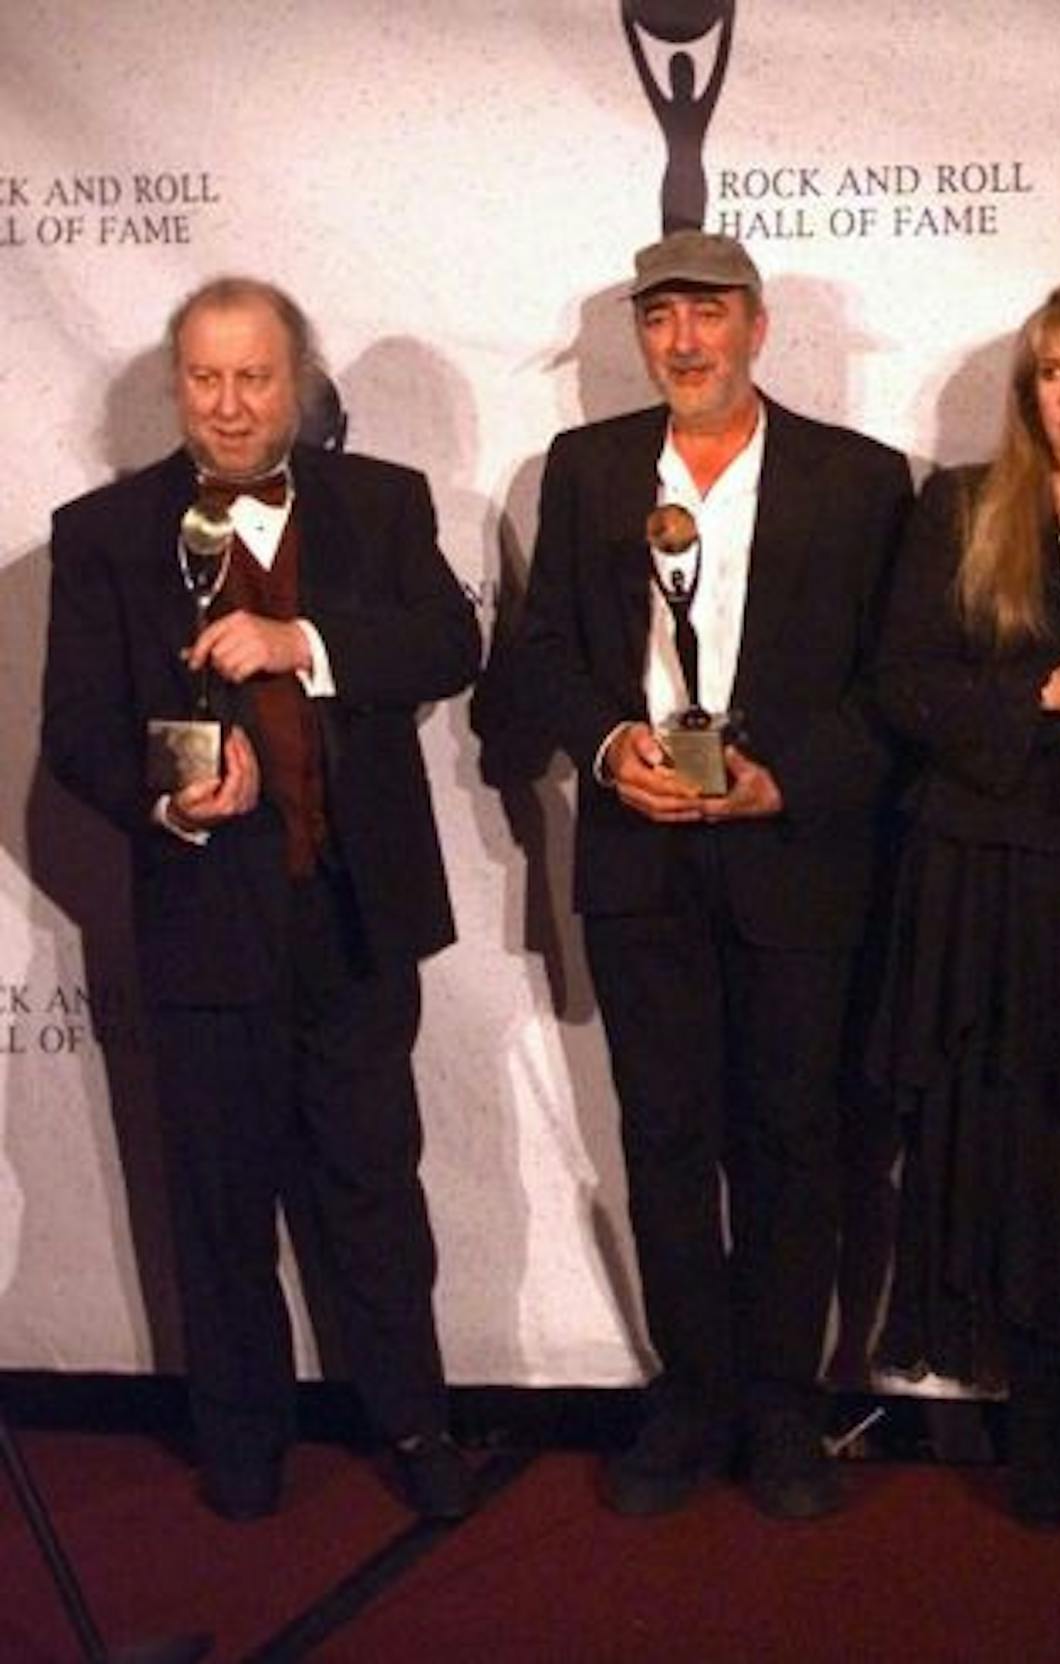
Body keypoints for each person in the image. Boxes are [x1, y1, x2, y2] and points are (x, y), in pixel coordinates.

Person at [40, 276, 481, 1522]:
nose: (229, 406)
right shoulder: (105, 533)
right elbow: (73, 732)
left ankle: (416, 1420)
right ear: (177, 384)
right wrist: (170, 797)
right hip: (200, 923)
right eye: (205, 378)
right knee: (220, 1198)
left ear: (300, 384)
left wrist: (307, 645)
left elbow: (453, 644)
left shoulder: (382, 505)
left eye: (255, 378)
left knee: (374, 1190)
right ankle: (243, 1440)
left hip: (352, 917)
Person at [514, 230, 912, 1520]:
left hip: (794, 857)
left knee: (798, 1140)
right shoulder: (581, 472)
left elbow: (889, 688)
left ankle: (787, 1407)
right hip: (639, 853)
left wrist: (784, 776)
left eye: (709, 316)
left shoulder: (859, 480)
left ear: (759, 327)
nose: (684, 342)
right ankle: (690, 1396)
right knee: (667, 1138)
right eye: (662, 319)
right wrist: (610, 740)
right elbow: (546, 655)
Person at [871, 282, 1060, 1529]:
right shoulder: (961, 507)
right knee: (1003, 1134)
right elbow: (905, 682)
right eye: (1052, 372)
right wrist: (1040, 699)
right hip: (986, 876)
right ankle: (1038, 1414)